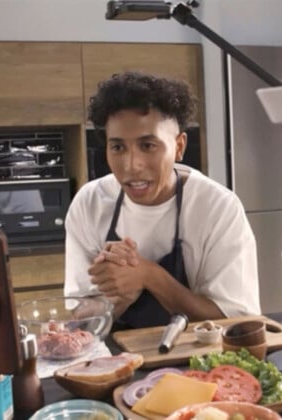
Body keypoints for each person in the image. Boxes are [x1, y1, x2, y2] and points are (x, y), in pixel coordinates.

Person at [64, 71, 260, 329]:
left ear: (179, 147)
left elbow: (238, 322)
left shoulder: (217, 207)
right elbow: (80, 322)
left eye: (148, 146)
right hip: (117, 361)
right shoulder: (89, 203)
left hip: (196, 362)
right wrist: (118, 294)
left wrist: (149, 275)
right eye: (118, 147)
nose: (131, 166)